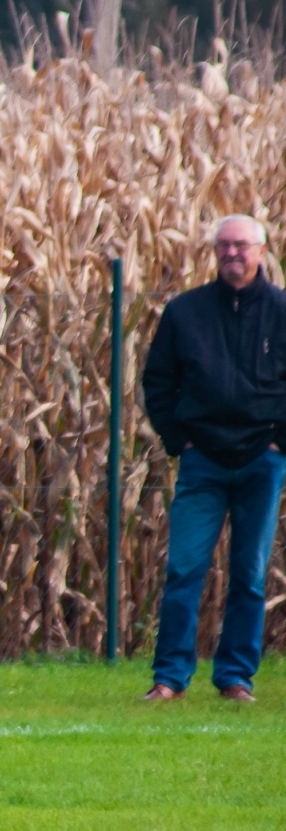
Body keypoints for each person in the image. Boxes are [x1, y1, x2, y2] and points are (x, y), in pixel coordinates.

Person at [142, 214, 286, 703]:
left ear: (262, 251)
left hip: (262, 462)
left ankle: (235, 678)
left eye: (241, 246)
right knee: (184, 569)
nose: (232, 254)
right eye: (223, 246)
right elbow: (158, 382)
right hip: (201, 461)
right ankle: (169, 679)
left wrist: (278, 441)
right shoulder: (186, 312)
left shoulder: (281, 312)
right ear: (213, 253)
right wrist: (177, 438)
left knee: (249, 573)